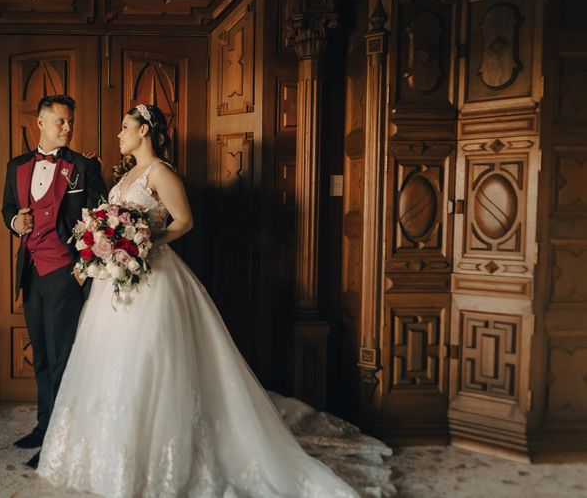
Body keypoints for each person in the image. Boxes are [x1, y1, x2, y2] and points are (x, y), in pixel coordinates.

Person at [35, 104, 358, 497]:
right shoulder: (125, 176)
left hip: (154, 277)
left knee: (151, 361)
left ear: (145, 132)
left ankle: (161, 461)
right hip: (117, 278)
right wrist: (107, 248)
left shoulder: (160, 173)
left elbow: (184, 220)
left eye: (125, 127)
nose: (118, 134)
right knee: (108, 358)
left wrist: (142, 242)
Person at [1, 94, 108, 469]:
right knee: (43, 357)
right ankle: (44, 425)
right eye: (61, 121)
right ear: (41, 123)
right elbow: (7, 210)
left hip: (64, 272)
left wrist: (83, 266)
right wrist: (16, 223)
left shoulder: (83, 167)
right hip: (31, 272)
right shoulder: (16, 165)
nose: (68, 127)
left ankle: (60, 441)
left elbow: (99, 216)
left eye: (70, 121)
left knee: (63, 359)